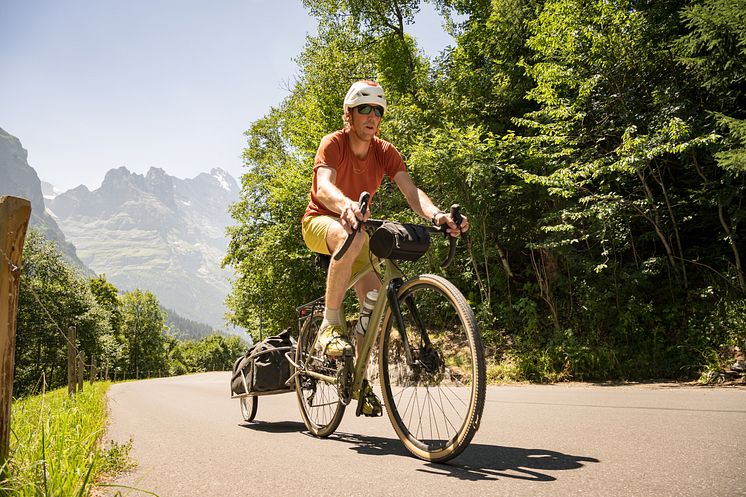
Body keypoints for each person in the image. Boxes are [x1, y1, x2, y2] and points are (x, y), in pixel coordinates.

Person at [301, 80, 469, 415]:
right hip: (320, 222)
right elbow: (323, 187)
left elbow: (411, 192)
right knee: (351, 237)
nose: (372, 115)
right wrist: (346, 205)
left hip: (359, 228)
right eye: (365, 108)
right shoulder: (333, 143)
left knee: (375, 305)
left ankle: (358, 382)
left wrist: (437, 216)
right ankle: (329, 326)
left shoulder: (385, 152)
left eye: (378, 110)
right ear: (350, 114)